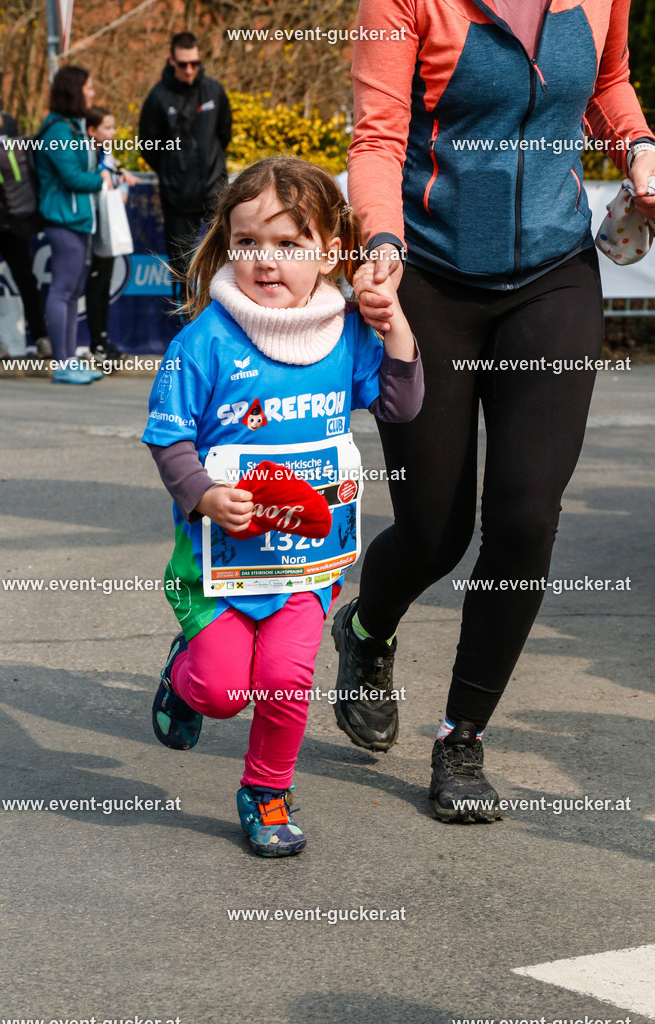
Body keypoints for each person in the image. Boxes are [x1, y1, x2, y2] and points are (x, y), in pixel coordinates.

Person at [332, 0, 655, 822]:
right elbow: (376, 136)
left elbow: (607, 84)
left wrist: (640, 148)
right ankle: (366, 630)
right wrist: (378, 246)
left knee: (524, 516)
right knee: (435, 531)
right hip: (429, 273)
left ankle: (461, 736)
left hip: (553, 270)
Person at [142, 156, 423, 856]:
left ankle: (267, 790)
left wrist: (394, 328)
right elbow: (167, 436)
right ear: (226, 244)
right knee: (220, 692)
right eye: (247, 243)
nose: (265, 261)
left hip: (304, 565)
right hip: (218, 566)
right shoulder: (201, 341)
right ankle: (186, 677)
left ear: (331, 249)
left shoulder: (346, 331)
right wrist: (203, 494)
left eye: (290, 244)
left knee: (285, 680)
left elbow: (400, 402)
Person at [139, 31, 232, 309]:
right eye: (183, 64)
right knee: (181, 267)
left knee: (224, 259)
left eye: (194, 63)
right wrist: (172, 171)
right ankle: (185, 326)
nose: (189, 69)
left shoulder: (214, 91)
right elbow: (148, 146)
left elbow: (223, 134)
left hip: (214, 191)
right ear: (171, 60)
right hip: (177, 196)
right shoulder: (158, 97)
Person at [34, 66, 112, 385]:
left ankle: (69, 358)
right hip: (63, 220)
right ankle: (62, 362)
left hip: (76, 220)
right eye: (89, 87)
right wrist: (102, 180)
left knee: (71, 291)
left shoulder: (72, 127)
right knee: (63, 289)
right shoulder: (57, 131)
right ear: (74, 90)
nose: (92, 92)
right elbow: (71, 177)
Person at [0, 64, 49, 360]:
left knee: (25, 278)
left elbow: (18, 165)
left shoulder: (6, 122)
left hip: (9, 218)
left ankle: (41, 338)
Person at [85, 105, 138, 364]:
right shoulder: (85, 150)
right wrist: (101, 175)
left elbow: (112, 174)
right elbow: (87, 176)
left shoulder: (106, 152)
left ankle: (102, 339)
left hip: (109, 226)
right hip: (93, 229)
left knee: (104, 283)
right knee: (95, 285)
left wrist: (121, 175)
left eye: (114, 126)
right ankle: (95, 342)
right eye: (107, 127)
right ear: (91, 130)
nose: (113, 132)